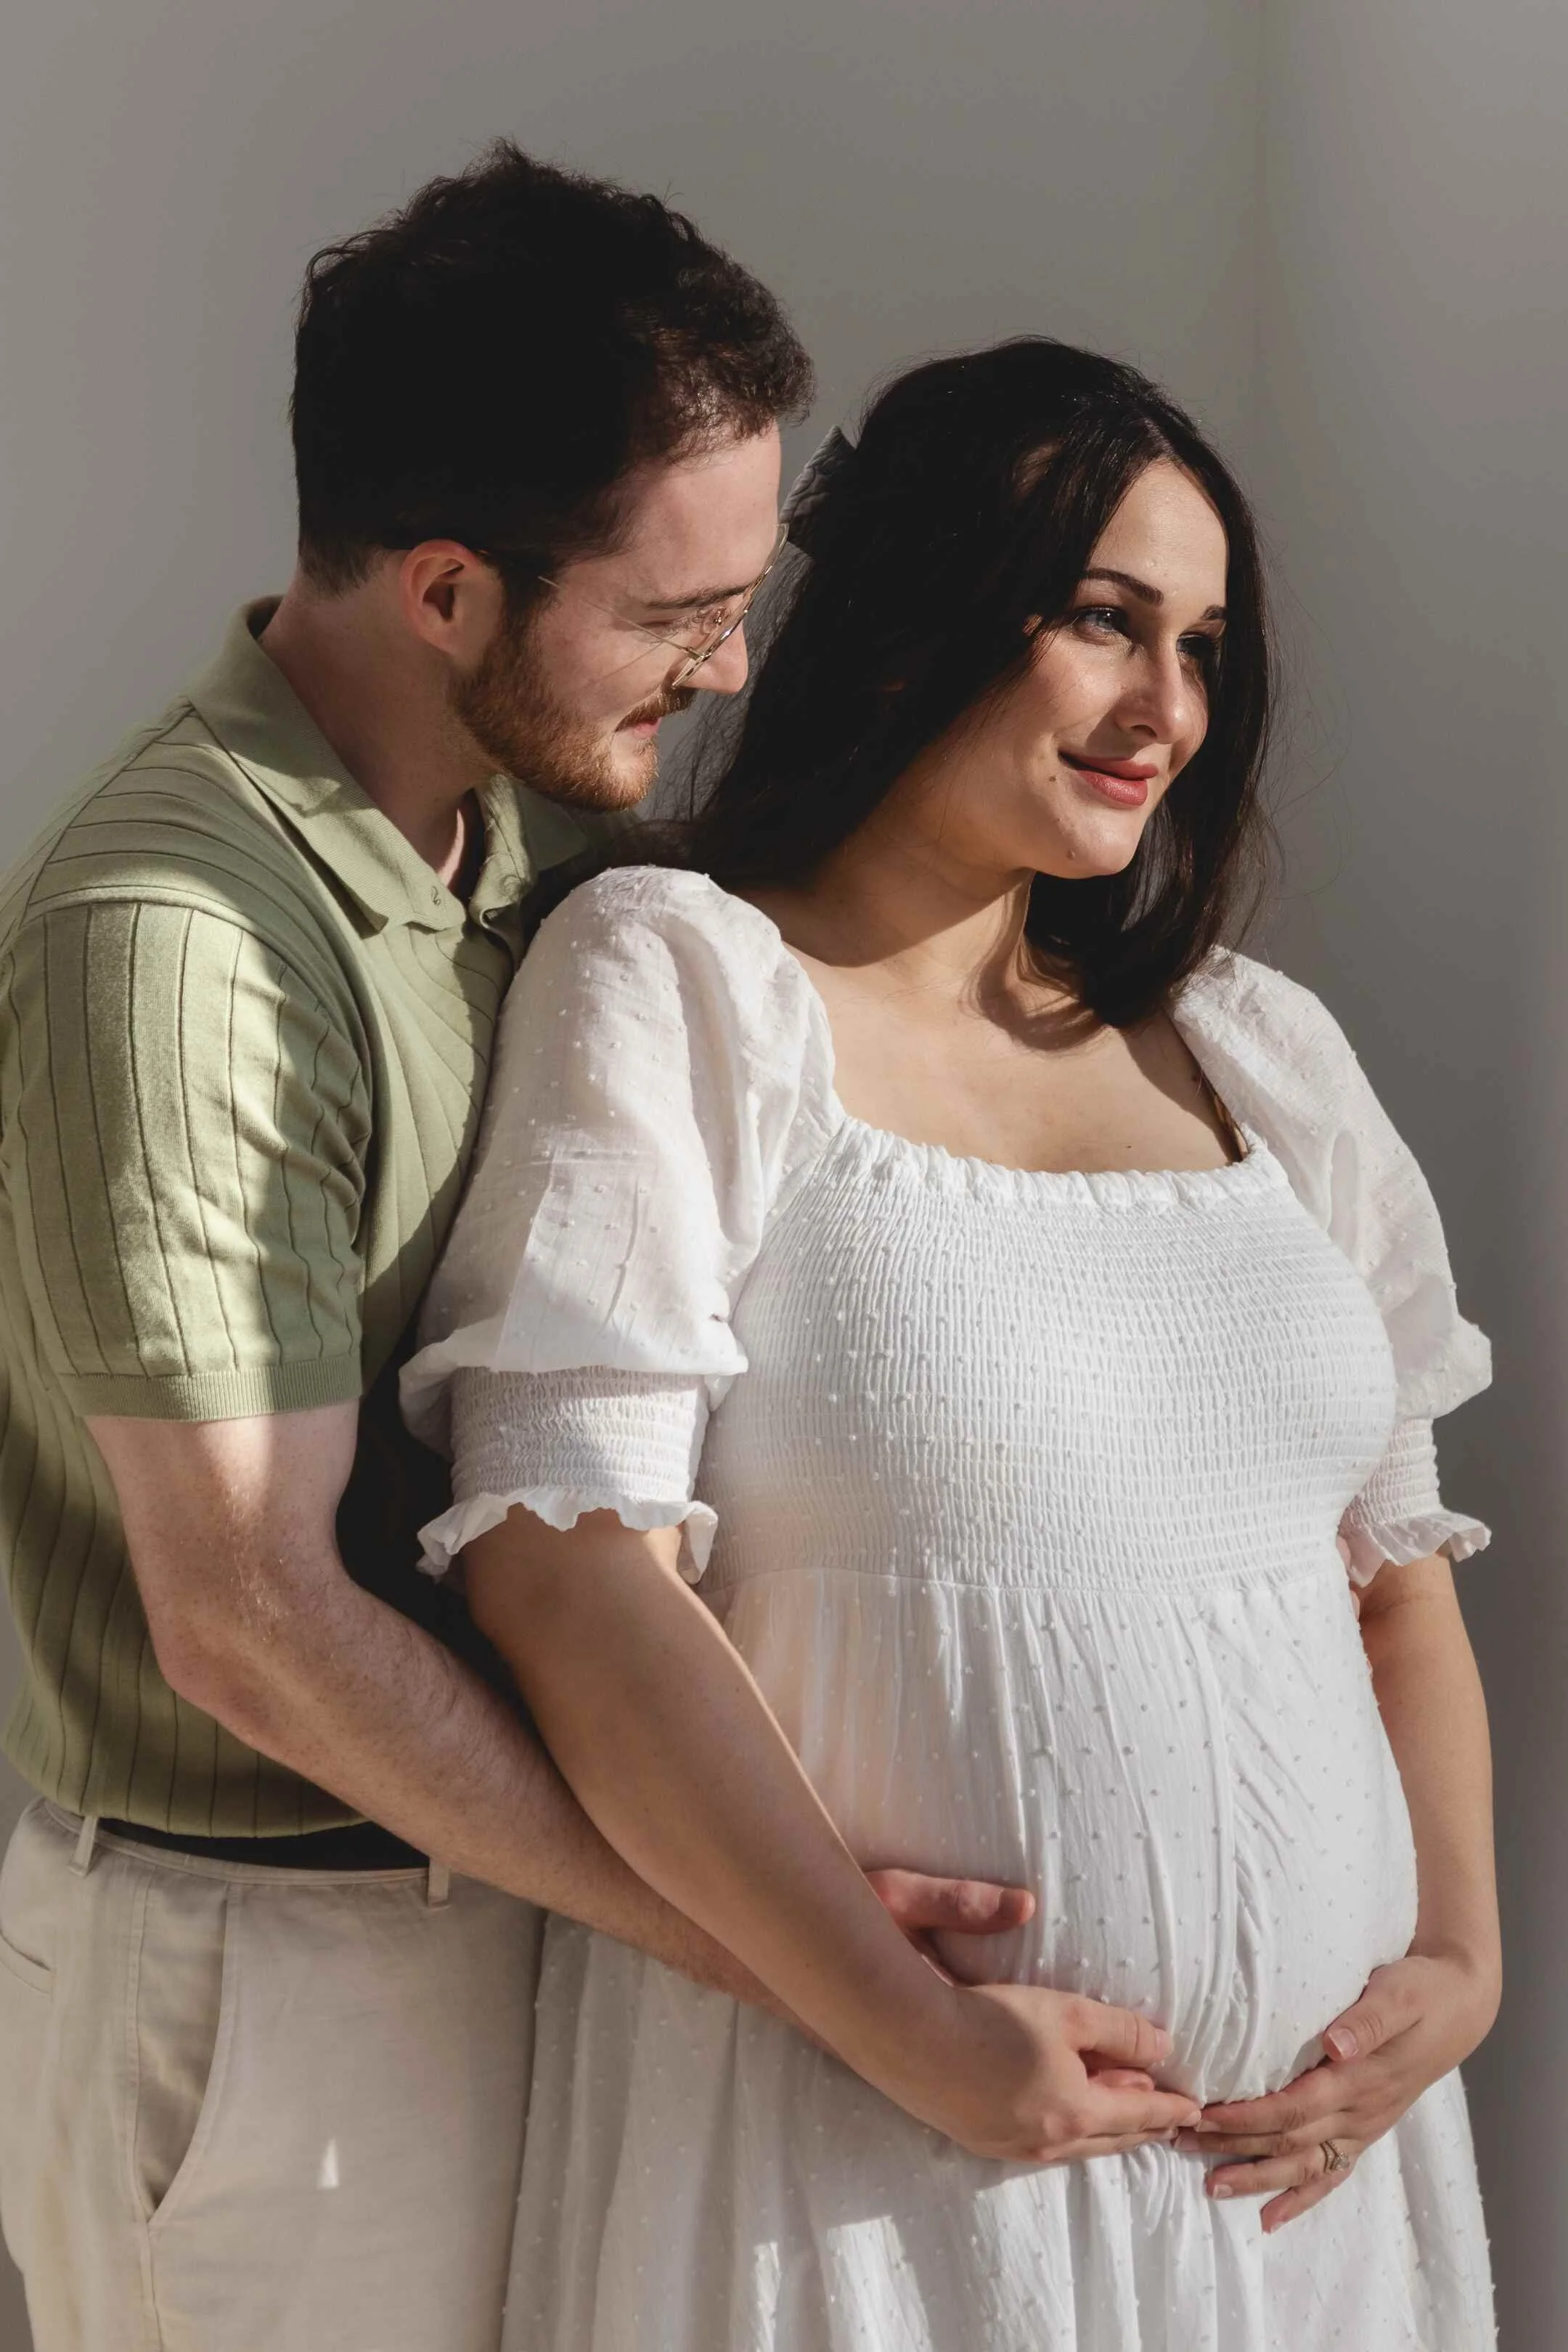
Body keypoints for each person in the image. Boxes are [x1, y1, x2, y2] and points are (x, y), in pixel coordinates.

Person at [0, 147, 1048, 2352]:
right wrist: (783, 1950)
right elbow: (252, 1621)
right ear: (450, 590)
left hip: (520, 1920)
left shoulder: (552, 829)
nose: (730, 659)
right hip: (282, 1975)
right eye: (676, 614)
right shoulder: (176, 953)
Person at [403, 338, 1501, 2349]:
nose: (1167, 706)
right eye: (1105, 622)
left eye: (1204, 646)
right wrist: (912, 2032)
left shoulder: (1261, 1048)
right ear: (925, 603)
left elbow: (1397, 1576)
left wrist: (1465, 1961)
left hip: (1303, 2197)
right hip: (862, 2163)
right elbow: (572, 1580)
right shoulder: (681, 978)